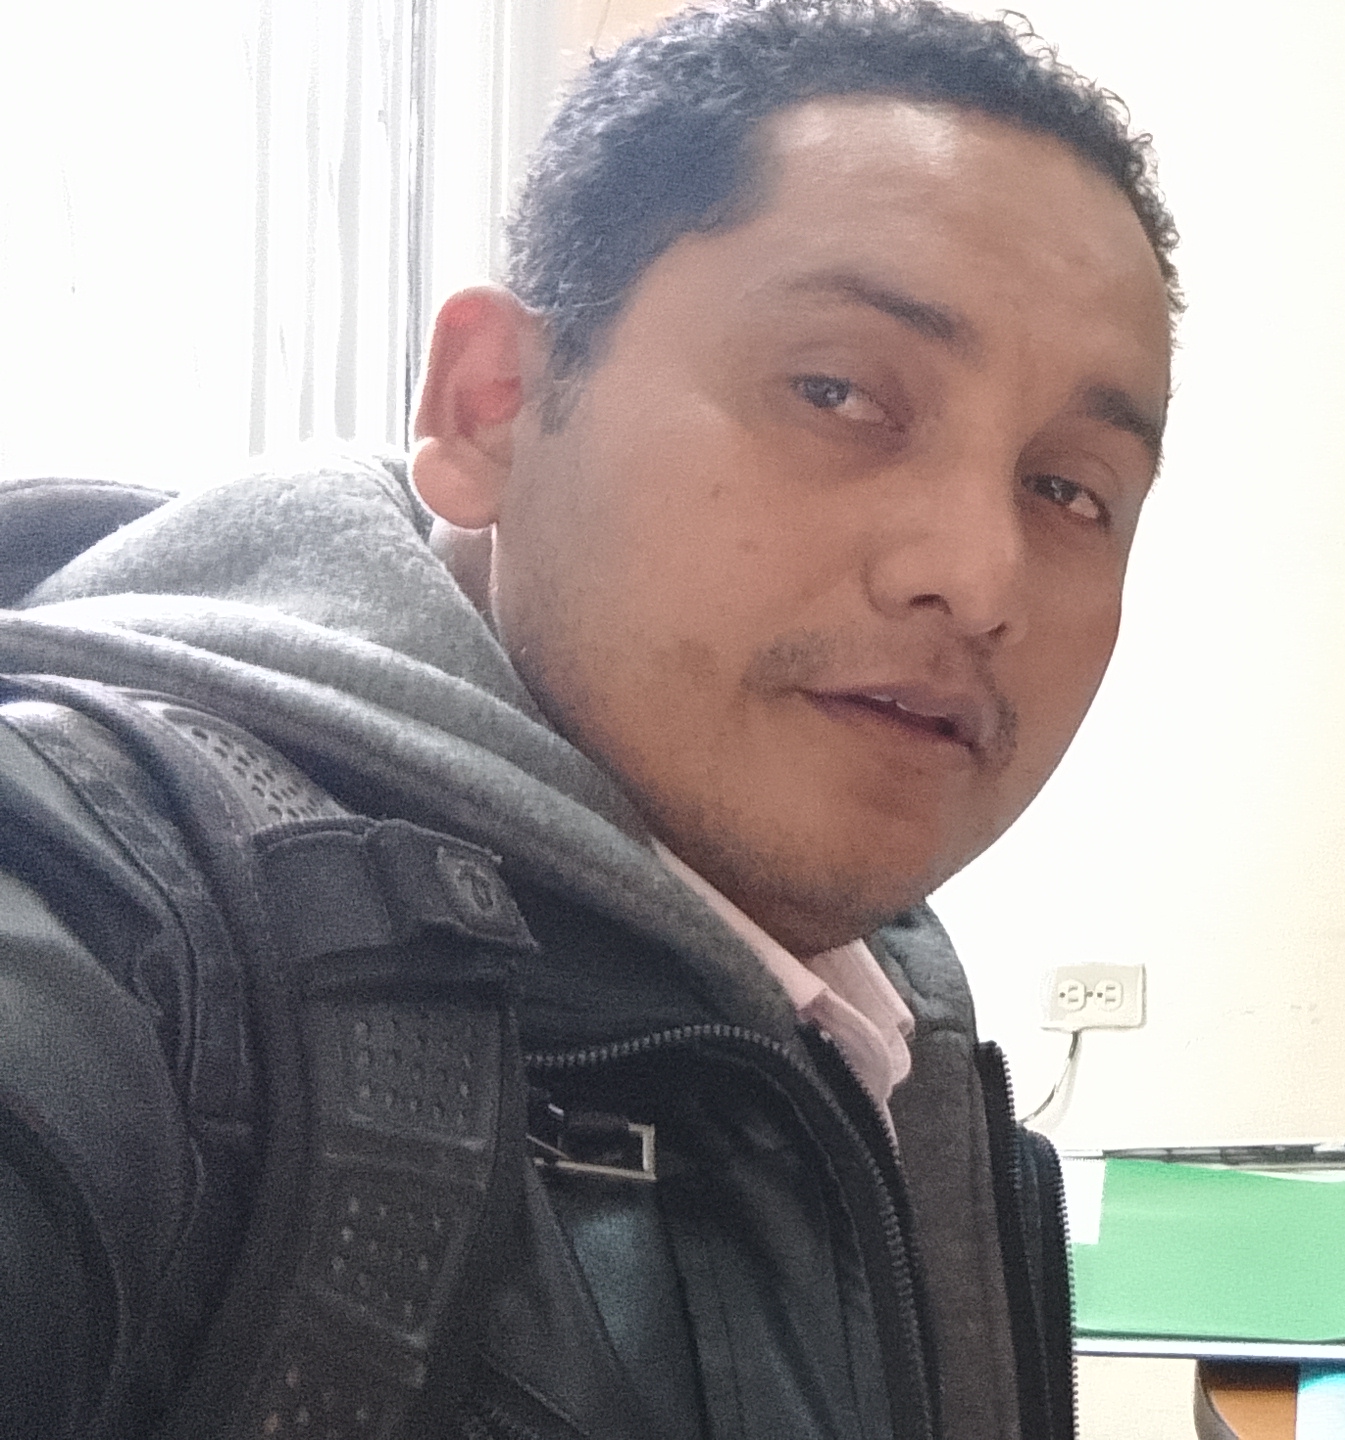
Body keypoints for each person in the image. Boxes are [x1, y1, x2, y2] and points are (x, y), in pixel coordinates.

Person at [0, 2, 1172, 1435]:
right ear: (490, 407)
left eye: (1068, 488)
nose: (979, 578)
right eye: (837, 392)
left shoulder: (878, 1002)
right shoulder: (113, 937)